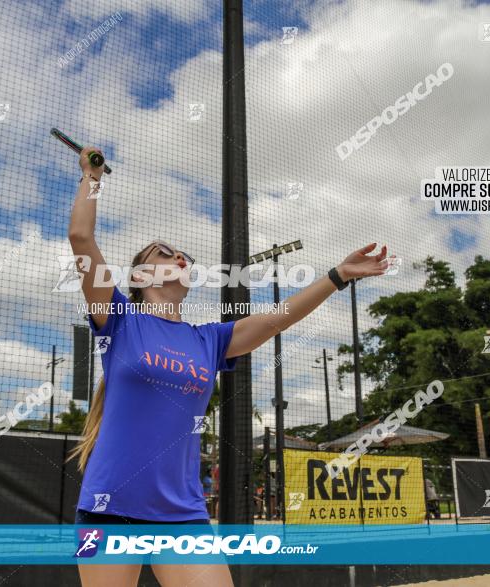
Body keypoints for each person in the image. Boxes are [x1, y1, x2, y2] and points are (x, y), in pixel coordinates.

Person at [66, 146, 391, 587]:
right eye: (165, 253)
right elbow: (82, 239)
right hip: (109, 507)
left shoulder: (209, 339)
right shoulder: (118, 318)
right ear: (140, 277)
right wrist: (92, 175)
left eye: (183, 255)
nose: (180, 257)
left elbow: (282, 316)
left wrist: (338, 276)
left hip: (182, 514)